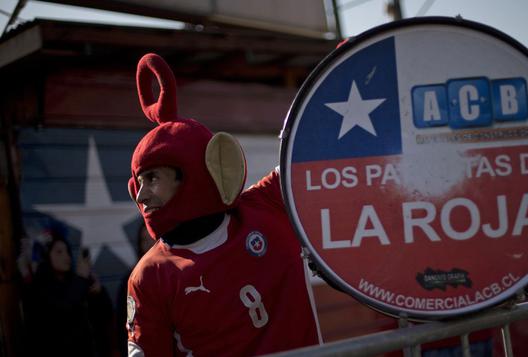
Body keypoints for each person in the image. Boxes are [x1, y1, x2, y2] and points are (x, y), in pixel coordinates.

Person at [125, 53, 321, 356]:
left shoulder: (266, 204)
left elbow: (315, 146)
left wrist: (344, 72)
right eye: (138, 183)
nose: (141, 196)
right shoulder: (149, 276)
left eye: (151, 179)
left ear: (190, 174)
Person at [21, 230, 114, 357]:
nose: (66, 257)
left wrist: (98, 292)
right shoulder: (39, 288)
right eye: (59, 252)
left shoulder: (75, 282)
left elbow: (105, 314)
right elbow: (62, 309)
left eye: (67, 252)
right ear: (46, 256)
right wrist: (81, 279)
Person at [116, 222, 154, 357]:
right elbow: (124, 325)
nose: (149, 244)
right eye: (144, 240)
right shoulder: (131, 280)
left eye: (151, 238)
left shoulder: (172, 276)